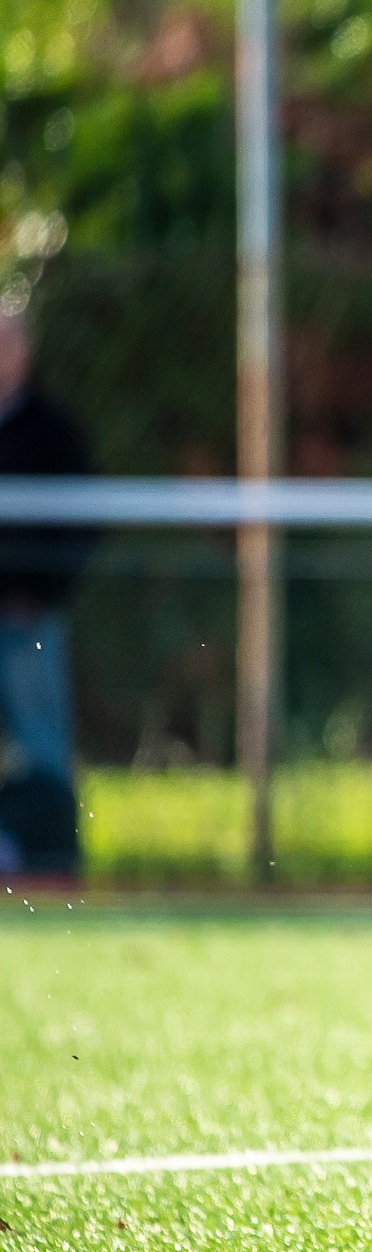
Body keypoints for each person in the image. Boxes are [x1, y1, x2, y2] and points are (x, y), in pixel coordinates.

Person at [0, 307, 97, 879]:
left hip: (27, 621)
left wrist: (40, 593)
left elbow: (81, 523)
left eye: (9, 342)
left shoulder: (54, 430)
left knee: (43, 746)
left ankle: (55, 863)